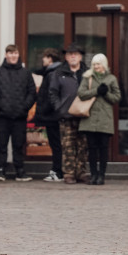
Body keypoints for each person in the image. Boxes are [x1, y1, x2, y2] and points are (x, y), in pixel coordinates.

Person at [0, 44, 36, 181]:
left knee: (18, 144)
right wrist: (0, 105)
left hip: (20, 116)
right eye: (10, 53)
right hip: (3, 116)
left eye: (15, 53)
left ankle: (20, 171)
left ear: (18, 55)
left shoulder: (26, 73)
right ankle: (1, 171)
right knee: (1, 144)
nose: (13, 56)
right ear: (6, 55)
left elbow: (32, 92)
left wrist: (24, 107)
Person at [75, 53, 121, 185]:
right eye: (94, 64)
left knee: (103, 148)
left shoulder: (111, 79)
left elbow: (117, 98)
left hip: (105, 119)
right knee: (92, 148)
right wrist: (96, 91)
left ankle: (102, 176)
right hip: (90, 118)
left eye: (98, 64)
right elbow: (81, 94)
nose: (96, 66)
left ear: (104, 64)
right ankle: (93, 175)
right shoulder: (87, 77)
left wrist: (106, 93)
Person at [49, 43, 89, 184]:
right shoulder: (59, 73)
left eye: (76, 54)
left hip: (83, 115)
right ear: (66, 57)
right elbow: (52, 93)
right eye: (70, 54)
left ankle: (81, 172)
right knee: (67, 146)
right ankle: (69, 173)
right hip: (65, 115)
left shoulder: (87, 73)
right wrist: (59, 108)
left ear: (80, 57)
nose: (73, 56)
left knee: (83, 145)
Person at [33, 48, 63, 182]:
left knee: (56, 144)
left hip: (52, 116)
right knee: (56, 143)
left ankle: (57, 171)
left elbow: (51, 95)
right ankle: (57, 170)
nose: (43, 59)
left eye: (44, 57)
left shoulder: (52, 73)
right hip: (53, 115)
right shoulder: (51, 72)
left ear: (50, 58)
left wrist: (43, 110)